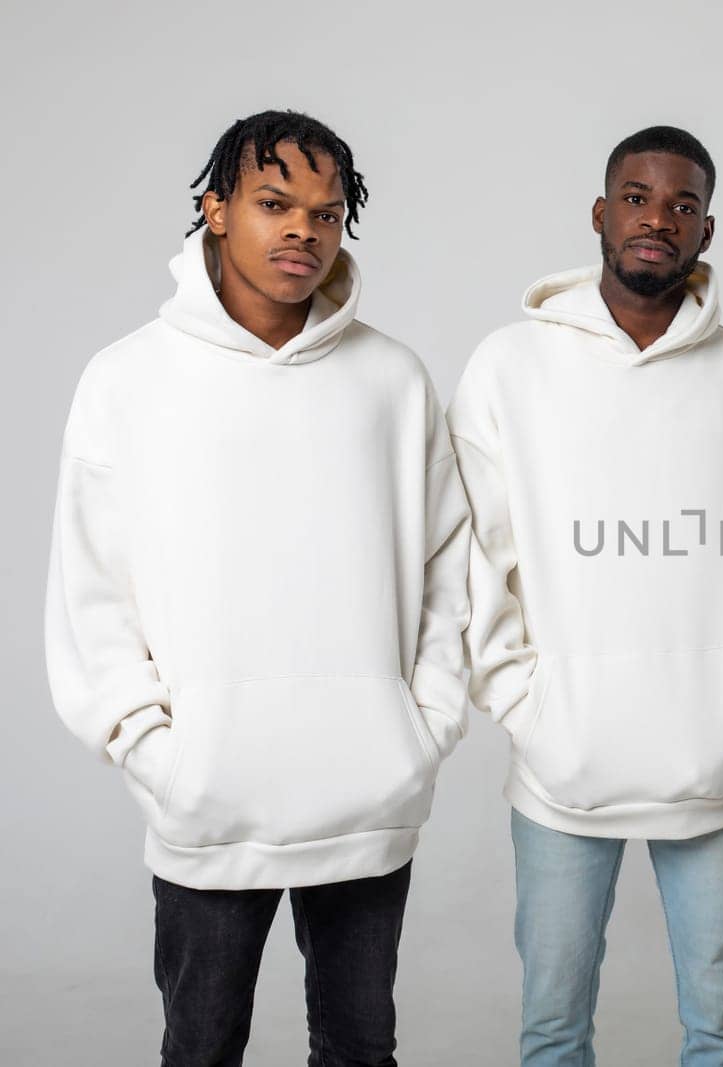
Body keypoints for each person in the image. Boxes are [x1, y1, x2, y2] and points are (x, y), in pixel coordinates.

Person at [45, 109, 471, 1066]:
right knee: (200, 1051)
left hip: (367, 798)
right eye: (275, 204)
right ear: (215, 210)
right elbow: (91, 592)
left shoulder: (394, 381)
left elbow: (453, 567)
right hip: (209, 804)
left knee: (360, 1049)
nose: (302, 232)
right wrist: (162, 757)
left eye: (326, 215)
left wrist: (423, 725)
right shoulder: (127, 380)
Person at [448, 125, 723, 1067]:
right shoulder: (507, 368)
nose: (659, 219)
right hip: (561, 768)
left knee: (722, 1026)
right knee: (554, 1027)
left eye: (683, 204)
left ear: (707, 229)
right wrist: (529, 708)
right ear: (602, 213)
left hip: (711, 764)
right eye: (639, 197)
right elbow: (475, 558)